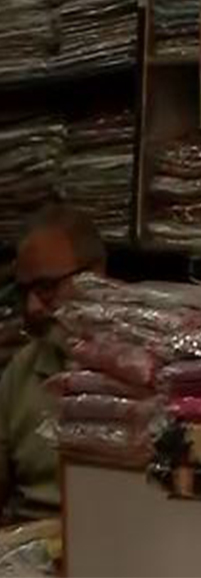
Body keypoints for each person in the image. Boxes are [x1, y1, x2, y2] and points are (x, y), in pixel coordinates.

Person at [0, 204, 105, 523]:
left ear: (97, 276)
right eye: (25, 292)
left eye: (46, 288)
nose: (32, 307)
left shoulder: (143, 371)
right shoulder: (22, 369)